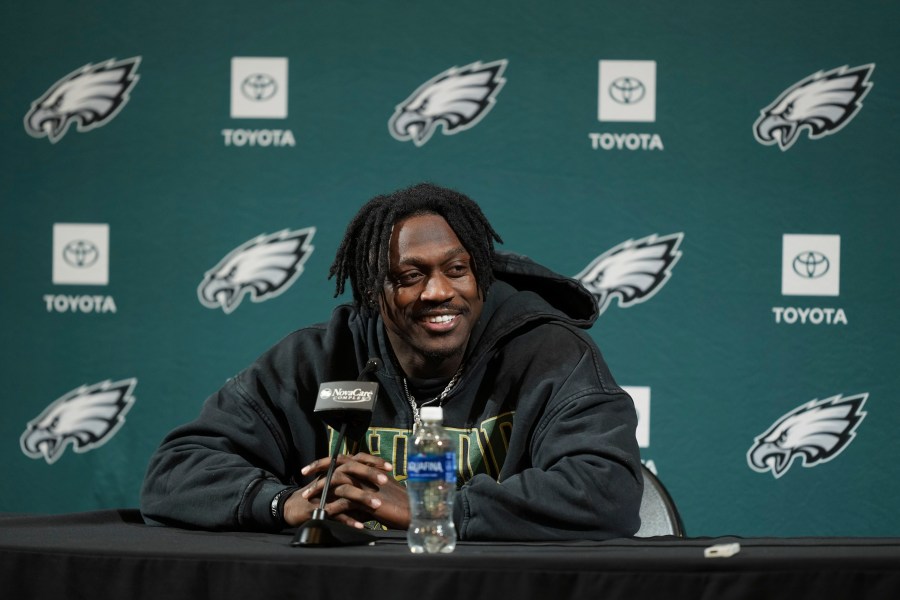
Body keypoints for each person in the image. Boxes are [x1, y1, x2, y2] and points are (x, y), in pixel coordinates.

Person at [140, 182, 643, 541]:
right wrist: (283, 503)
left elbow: (608, 490)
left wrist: (437, 509)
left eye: (457, 270)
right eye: (409, 276)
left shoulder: (550, 355)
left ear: (481, 277)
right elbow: (174, 472)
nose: (439, 292)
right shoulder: (317, 358)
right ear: (372, 291)